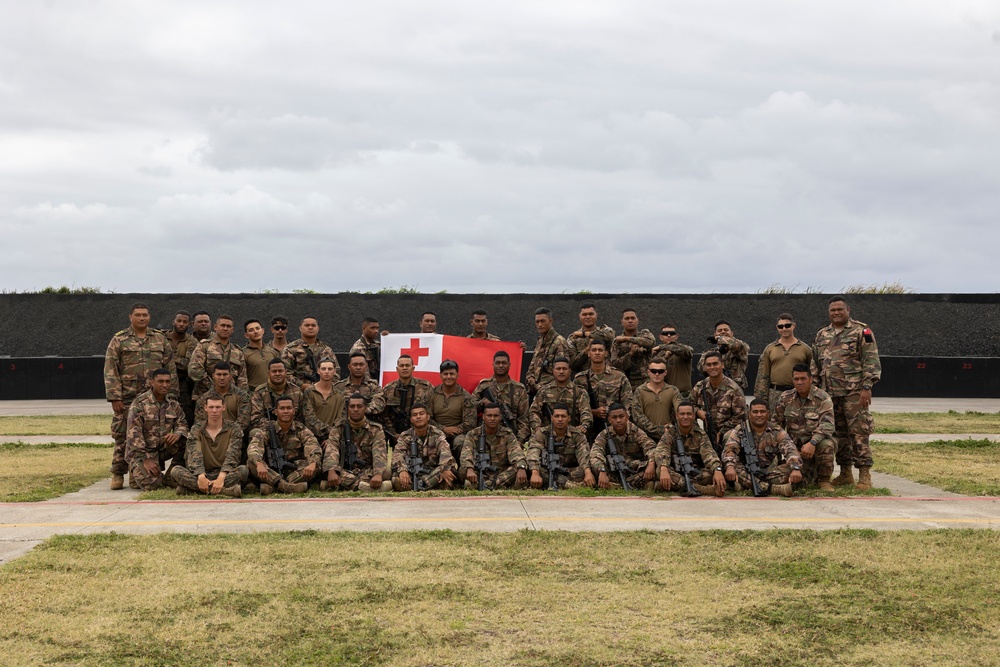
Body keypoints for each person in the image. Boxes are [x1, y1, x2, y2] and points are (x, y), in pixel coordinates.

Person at [104, 303, 177, 490]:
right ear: (130, 317)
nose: (142, 318)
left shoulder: (160, 340)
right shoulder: (119, 340)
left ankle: (136, 472)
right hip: (128, 396)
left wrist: (172, 395)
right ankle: (118, 472)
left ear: (149, 317)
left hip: (154, 398)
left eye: (145, 314)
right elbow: (111, 369)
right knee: (123, 435)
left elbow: (170, 368)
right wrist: (115, 397)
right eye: (138, 315)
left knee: (149, 435)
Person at [813, 296, 882, 490]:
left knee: (859, 431)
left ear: (848, 310)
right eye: (832, 310)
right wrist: (817, 389)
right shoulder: (822, 334)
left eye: (839, 309)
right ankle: (845, 473)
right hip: (829, 393)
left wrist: (867, 387)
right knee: (838, 433)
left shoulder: (862, 331)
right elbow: (815, 363)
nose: (836, 313)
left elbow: (871, 360)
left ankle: (865, 474)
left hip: (854, 392)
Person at [772, 364, 836, 491]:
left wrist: (813, 442)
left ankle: (823, 480)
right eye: (796, 379)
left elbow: (827, 425)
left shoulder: (822, 398)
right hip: (794, 449)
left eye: (803, 379)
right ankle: (807, 474)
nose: (799, 382)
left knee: (827, 444)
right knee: (784, 479)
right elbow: (776, 424)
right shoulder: (786, 397)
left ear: (810, 379)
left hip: (815, 446)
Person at [721, 399, 803, 497]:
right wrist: (730, 466)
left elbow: (790, 450)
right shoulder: (740, 430)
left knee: (791, 469)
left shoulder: (776, 431)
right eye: (755, 412)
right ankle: (772, 488)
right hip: (746, 471)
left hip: (770, 472)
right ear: (749, 414)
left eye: (762, 412)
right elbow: (730, 449)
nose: (759, 415)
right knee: (731, 468)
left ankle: (746, 485)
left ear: (768, 413)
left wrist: (795, 467)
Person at [124, 368, 188, 491]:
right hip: (143, 452)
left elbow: (183, 424)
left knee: (187, 441)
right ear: (152, 382)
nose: (165, 385)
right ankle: (136, 470)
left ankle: (170, 476)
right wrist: (145, 459)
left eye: (167, 381)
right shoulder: (139, 404)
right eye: (160, 381)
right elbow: (133, 435)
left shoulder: (173, 403)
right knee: (151, 484)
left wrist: (178, 434)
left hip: (162, 448)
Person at [171, 396, 247, 498]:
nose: (214, 411)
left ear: (223, 407)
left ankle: (191, 489)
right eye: (211, 407)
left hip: (224, 473)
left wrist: (221, 477)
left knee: (243, 470)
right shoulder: (196, 429)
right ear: (205, 408)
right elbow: (194, 454)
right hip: (202, 473)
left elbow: (233, 455)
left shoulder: (234, 428)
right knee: (176, 471)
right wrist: (201, 476)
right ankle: (225, 490)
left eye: (218, 407)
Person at [246, 395, 321, 494]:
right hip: (271, 471)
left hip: (294, 472)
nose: (286, 411)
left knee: (316, 465)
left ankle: (273, 487)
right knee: (251, 463)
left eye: (289, 408)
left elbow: (313, 446)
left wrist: (312, 462)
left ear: (294, 411)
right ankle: (286, 487)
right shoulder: (266, 429)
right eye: (282, 408)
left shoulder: (301, 429)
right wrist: (259, 463)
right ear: (275, 411)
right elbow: (254, 447)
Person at [321, 394, 391, 492]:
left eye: (359, 406)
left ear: (365, 408)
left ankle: (339, 485)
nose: (356, 409)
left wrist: (378, 474)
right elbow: (331, 450)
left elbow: (379, 454)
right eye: (352, 406)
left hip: (368, 470)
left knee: (386, 472)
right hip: (345, 470)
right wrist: (332, 471)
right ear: (348, 409)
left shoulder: (376, 429)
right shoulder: (339, 428)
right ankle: (365, 487)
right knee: (327, 471)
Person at [653, 402, 725, 497]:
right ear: (677, 416)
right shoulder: (671, 433)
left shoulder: (700, 434)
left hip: (695, 473)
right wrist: (663, 467)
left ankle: (668, 486)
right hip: (676, 472)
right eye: (682, 414)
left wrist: (717, 469)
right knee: (659, 470)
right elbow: (662, 450)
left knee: (712, 473)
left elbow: (709, 453)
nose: (685, 417)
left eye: (689, 414)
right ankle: (702, 489)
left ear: (694, 416)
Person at [458, 403, 528, 489]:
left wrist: (521, 467)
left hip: (500, 473)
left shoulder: (507, 434)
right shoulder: (472, 434)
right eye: (489, 415)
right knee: (463, 470)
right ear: (483, 416)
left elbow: (516, 453)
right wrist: (469, 468)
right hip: (479, 472)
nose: (492, 419)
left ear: (500, 417)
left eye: (496, 416)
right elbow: (466, 453)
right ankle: (495, 486)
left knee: (519, 469)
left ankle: (486, 485)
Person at [589, 403, 658, 491]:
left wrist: (651, 463)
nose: (618, 420)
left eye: (621, 416)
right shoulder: (604, 435)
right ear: (609, 419)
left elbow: (651, 448)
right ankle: (637, 485)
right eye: (614, 417)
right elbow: (595, 453)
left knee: (657, 468)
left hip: (634, 471)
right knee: (592, 470)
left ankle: (615, 486)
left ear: (627, 417)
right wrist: (601, 470)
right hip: (614, 472)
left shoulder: (636, 432)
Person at [574, 339, 632, 442]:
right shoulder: (580, 379)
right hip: (588, 430)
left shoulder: (619, 376)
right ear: (588, 353)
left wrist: (615, 416)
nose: (597, 353)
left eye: (600, 350)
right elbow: (574, 406)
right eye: (594, 350)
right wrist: (593, 412)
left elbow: (628, 403)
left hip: (613, 429)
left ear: (606, 353)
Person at [754, 313, 814, 409]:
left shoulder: (806, 349)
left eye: (787, 325)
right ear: (777, 328)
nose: (784, 329)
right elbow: (763, 376)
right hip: (775, 394)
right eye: (780, 326)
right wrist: (761, 400)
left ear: (794, 326)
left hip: (797, 393)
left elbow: (812, 375)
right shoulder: (770, 349)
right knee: (774, 423)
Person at [526, 404, 594, 489]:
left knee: (588, 470)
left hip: (569, 470)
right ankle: (568, 485)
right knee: (533, 470)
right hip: (548, 470)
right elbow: (533, 452)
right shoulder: (542, 433)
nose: (560, 419)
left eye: (563, 416)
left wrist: (588, 473)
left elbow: (584, 454)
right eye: (557, 416)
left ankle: (559, 483)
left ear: (569, 418)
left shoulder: (577, 434)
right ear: (552, 418)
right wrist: (535, 473)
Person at [391, 403, 457, 491]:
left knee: (448, 471)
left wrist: (445, 469)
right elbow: (397, 454)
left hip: (433, 471)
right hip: (412, 472)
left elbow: (446, 453)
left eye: (421, 414)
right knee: (396, 477)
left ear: (428, 417)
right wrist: (403, 470)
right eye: (415, 415)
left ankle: (419, 485)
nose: (418, 417)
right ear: (411, 419)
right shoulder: (405, 436)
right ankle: (427, 485)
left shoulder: (437, 434)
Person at [249, 358, 322, 435]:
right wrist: (277, 426)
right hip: (269, 431)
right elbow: (256, 419)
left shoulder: (296, 391)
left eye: (280, 371)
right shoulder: (260, 392)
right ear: (268, 373)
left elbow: (303, 417)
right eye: (274, 371)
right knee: (254, 433)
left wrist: (288, 426)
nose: (277, 374)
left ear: (286, 372)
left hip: (293, 431)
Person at [691, 351, 746, 451]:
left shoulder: (734, 389)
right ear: (705, 367)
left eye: (715, 364)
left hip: (729, 433)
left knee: (729, 438)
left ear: (722, 365)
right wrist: (698, 412)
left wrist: (720, 433)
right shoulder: (700, 386)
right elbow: (689, 405)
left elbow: (741, 417)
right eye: (709, 365)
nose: (712, 367)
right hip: (707, 432)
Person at [472, 351, 531, 442]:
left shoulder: (519, 389)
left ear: (509, 365)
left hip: (510, 437)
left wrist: (519, 441)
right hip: (485, 436)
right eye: (498, 363)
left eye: (504, 363)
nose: (500, 365)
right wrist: (482, 403)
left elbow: (524, 419)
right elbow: (470, 408)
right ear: (493, 364)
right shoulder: (484, 386)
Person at [188, 314, 249, 401]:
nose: (225, 328)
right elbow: (194, 370)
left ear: (232, 330)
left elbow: (242, 379)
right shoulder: (204, 346)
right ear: (215, 327)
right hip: (206, 398)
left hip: (231, 399)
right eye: (222, 325)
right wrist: (215, 387)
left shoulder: (237, 351)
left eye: (228, 326)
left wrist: (241, 398)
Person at [528, 356, 592, 434]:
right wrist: (537, 427)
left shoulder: (579, 392)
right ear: (553, 371)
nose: (561, 371)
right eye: (558, 369)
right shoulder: (543, 391)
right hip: (548, 434)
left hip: (572, 435)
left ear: (570, 371)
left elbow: (586, 413)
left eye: (564, 369)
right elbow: (534, 411)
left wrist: (584, 425)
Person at [428, 359, 477, 457]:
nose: (449, 377)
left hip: (458, 435)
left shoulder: (466, 397)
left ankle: (461, 469)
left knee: (461, 442)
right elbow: (426, 418)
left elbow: (470, 424)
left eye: (452, 374)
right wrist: (443, 429)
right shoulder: (431, 393)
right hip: (435, 433)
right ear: (440, 376)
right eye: (445, 374)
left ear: (457, 375)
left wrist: (452, 431)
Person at [381, 355, 434, 444]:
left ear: (413, 368)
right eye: (402, 366)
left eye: (407, 365)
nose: (404, 368)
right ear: (397, 369)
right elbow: (384, 414)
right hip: (394, 434)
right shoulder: (388, 389)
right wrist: (394, 434)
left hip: (419, 432)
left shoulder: (426, 387)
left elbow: (430, 412)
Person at [629, 359, 681, 442]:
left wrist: (671, 428)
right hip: (646, 438)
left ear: (665, 373)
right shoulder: (640, 391)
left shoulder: (673, 390)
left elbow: (680, 411)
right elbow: (637, 417)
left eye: (660, 371)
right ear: (648, 372)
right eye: (654, 371)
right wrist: (659, 430)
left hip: (668, 436)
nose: (657, 374)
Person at [192, 361, 251, 434]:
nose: (222, 378)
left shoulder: (242, 396)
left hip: (234, 435)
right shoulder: (204, 399)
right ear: (213, 376)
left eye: (225, 374)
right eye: (219, 374)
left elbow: (243, 421)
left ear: (230, 376)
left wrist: (227, 433)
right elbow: (199, 422)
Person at [281, 316, 339, 390]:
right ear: (300, 328)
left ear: (318, 328)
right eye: (307, 325)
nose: (310, 327)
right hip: (299, 392)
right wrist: (301, 385)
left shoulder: (326, 350)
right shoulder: (291, 349)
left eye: (313, 325)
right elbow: (285, 372)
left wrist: (326, 387)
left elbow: (336, 372)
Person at [525, 307, 570, 394]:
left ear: (550, 321)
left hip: (552, 393)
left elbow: (561, 373)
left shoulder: (559, 342)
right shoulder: (540, 340)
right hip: (536, 391)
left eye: (543, 321)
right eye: (537, 322)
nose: (540, 324)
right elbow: (533, 365)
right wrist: (530, 378)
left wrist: (539, 387)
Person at [698, 320, 751, 390]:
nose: (723, 332)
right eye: (720, 330)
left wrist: (720, 339)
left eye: (726, 330)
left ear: (732, 333)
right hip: (715, 390)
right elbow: (701, 367)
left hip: (735, 391)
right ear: (715, 334)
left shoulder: (740, 349)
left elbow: (739, 346)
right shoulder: (709, 353)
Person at [610, 308, 655, 389]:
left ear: (638, 320)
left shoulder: (644, 335)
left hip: (645, 381)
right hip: (625, 383)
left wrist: (627, 339)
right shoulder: (617, 341)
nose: (630, 321)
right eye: (627, 318)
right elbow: (615, 364)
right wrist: (630, 353)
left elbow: (651, 342)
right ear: (622, 322)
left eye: (633, 318)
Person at [166, 310, 198, 425]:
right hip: (162, 382)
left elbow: (187, 364)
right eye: (179, 321)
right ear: (173, 322)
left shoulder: (192, 342)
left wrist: (168, 357)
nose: (181, 324)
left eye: (185, 322)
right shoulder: (162, 338)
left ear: (189, 324)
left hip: (183, 385)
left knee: (185, 417)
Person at [333, 352, 387, 417]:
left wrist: (360, 411)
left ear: (366, 366)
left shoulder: (373, 386)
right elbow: (333, 406)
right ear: (349, 367)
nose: (358, 367)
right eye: (355, 365)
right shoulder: (339, 387)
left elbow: (379, 403)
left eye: (361, 364)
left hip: (367, 423)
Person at [304, 358, 346, 442]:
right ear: (318, 371)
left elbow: (340, 421)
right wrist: (329, 432)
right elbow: (310, 419)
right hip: (312, 438)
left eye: (330, 369)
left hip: (333, 439)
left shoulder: (340, 396)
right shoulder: (309, 392)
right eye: (323, 369)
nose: (326, 372)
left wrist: (331, 439)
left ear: (334, 371)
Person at [567, 303, 616, 373]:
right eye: (584, 314)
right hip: (584, 378)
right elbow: (572, 364)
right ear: (579, 316)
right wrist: (587, 350)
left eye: (591, 314)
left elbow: (611, 337)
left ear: (596, 315)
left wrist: (585, 334)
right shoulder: (573, 338)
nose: (588, 317)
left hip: (607, 376)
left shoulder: (605, 330)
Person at [651, 324, 694, 397]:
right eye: (665, 333)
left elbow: (687, 350)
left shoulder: (683, 351)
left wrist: (662, 346)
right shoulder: (657, 355)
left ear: (676, 336)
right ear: (660, 337)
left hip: (683, 395)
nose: (668, 335)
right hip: (663, 396)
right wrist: (665, 357)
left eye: (672, 333)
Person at [242, 318, 280, 390]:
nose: (255, 332)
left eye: (257, 328)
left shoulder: (273, 351)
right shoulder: (243, 353)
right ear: (246, 335)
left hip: (273, 392)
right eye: (251, 330)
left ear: (262, 331)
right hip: (254, 394)